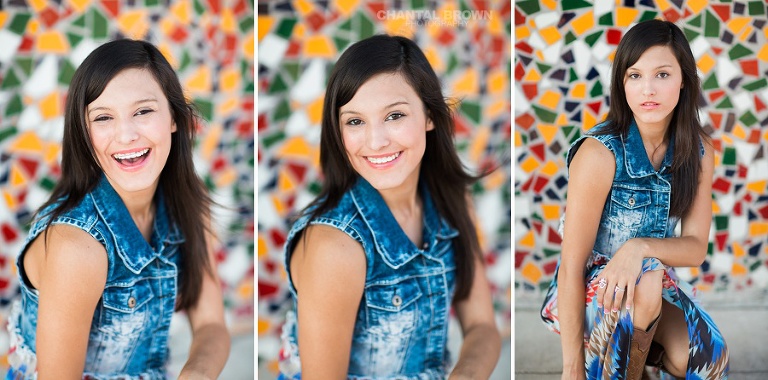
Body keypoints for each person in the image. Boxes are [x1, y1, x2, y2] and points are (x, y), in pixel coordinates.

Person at [277, 34, 501, 379]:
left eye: (394, 115)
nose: (376, 141)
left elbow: (483, 327)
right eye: (355, 121)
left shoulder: (452, 202)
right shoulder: (333, 246)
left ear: (429, 116)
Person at [6, 39, 230, 379]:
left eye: (143, 111)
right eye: (103, 118)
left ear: (174, 117)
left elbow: (212, 324)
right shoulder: (76, 248)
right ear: (84, 133)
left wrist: (195, 374)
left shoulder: (188, 202)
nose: (126, 135)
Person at [540, 19, 729, 379]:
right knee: (647, 277)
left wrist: (638, 248)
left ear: (684, 80)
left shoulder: (700, 149)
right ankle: (625, 371)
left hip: (652, 288)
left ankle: (636, 363)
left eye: (662, 74)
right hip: (596, 296)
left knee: (710, 363)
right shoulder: (599, 154)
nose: (648, 89)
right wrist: (570, 370)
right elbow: (571, 267)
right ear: (621, 83)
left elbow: (695, 249)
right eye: (634, 75)